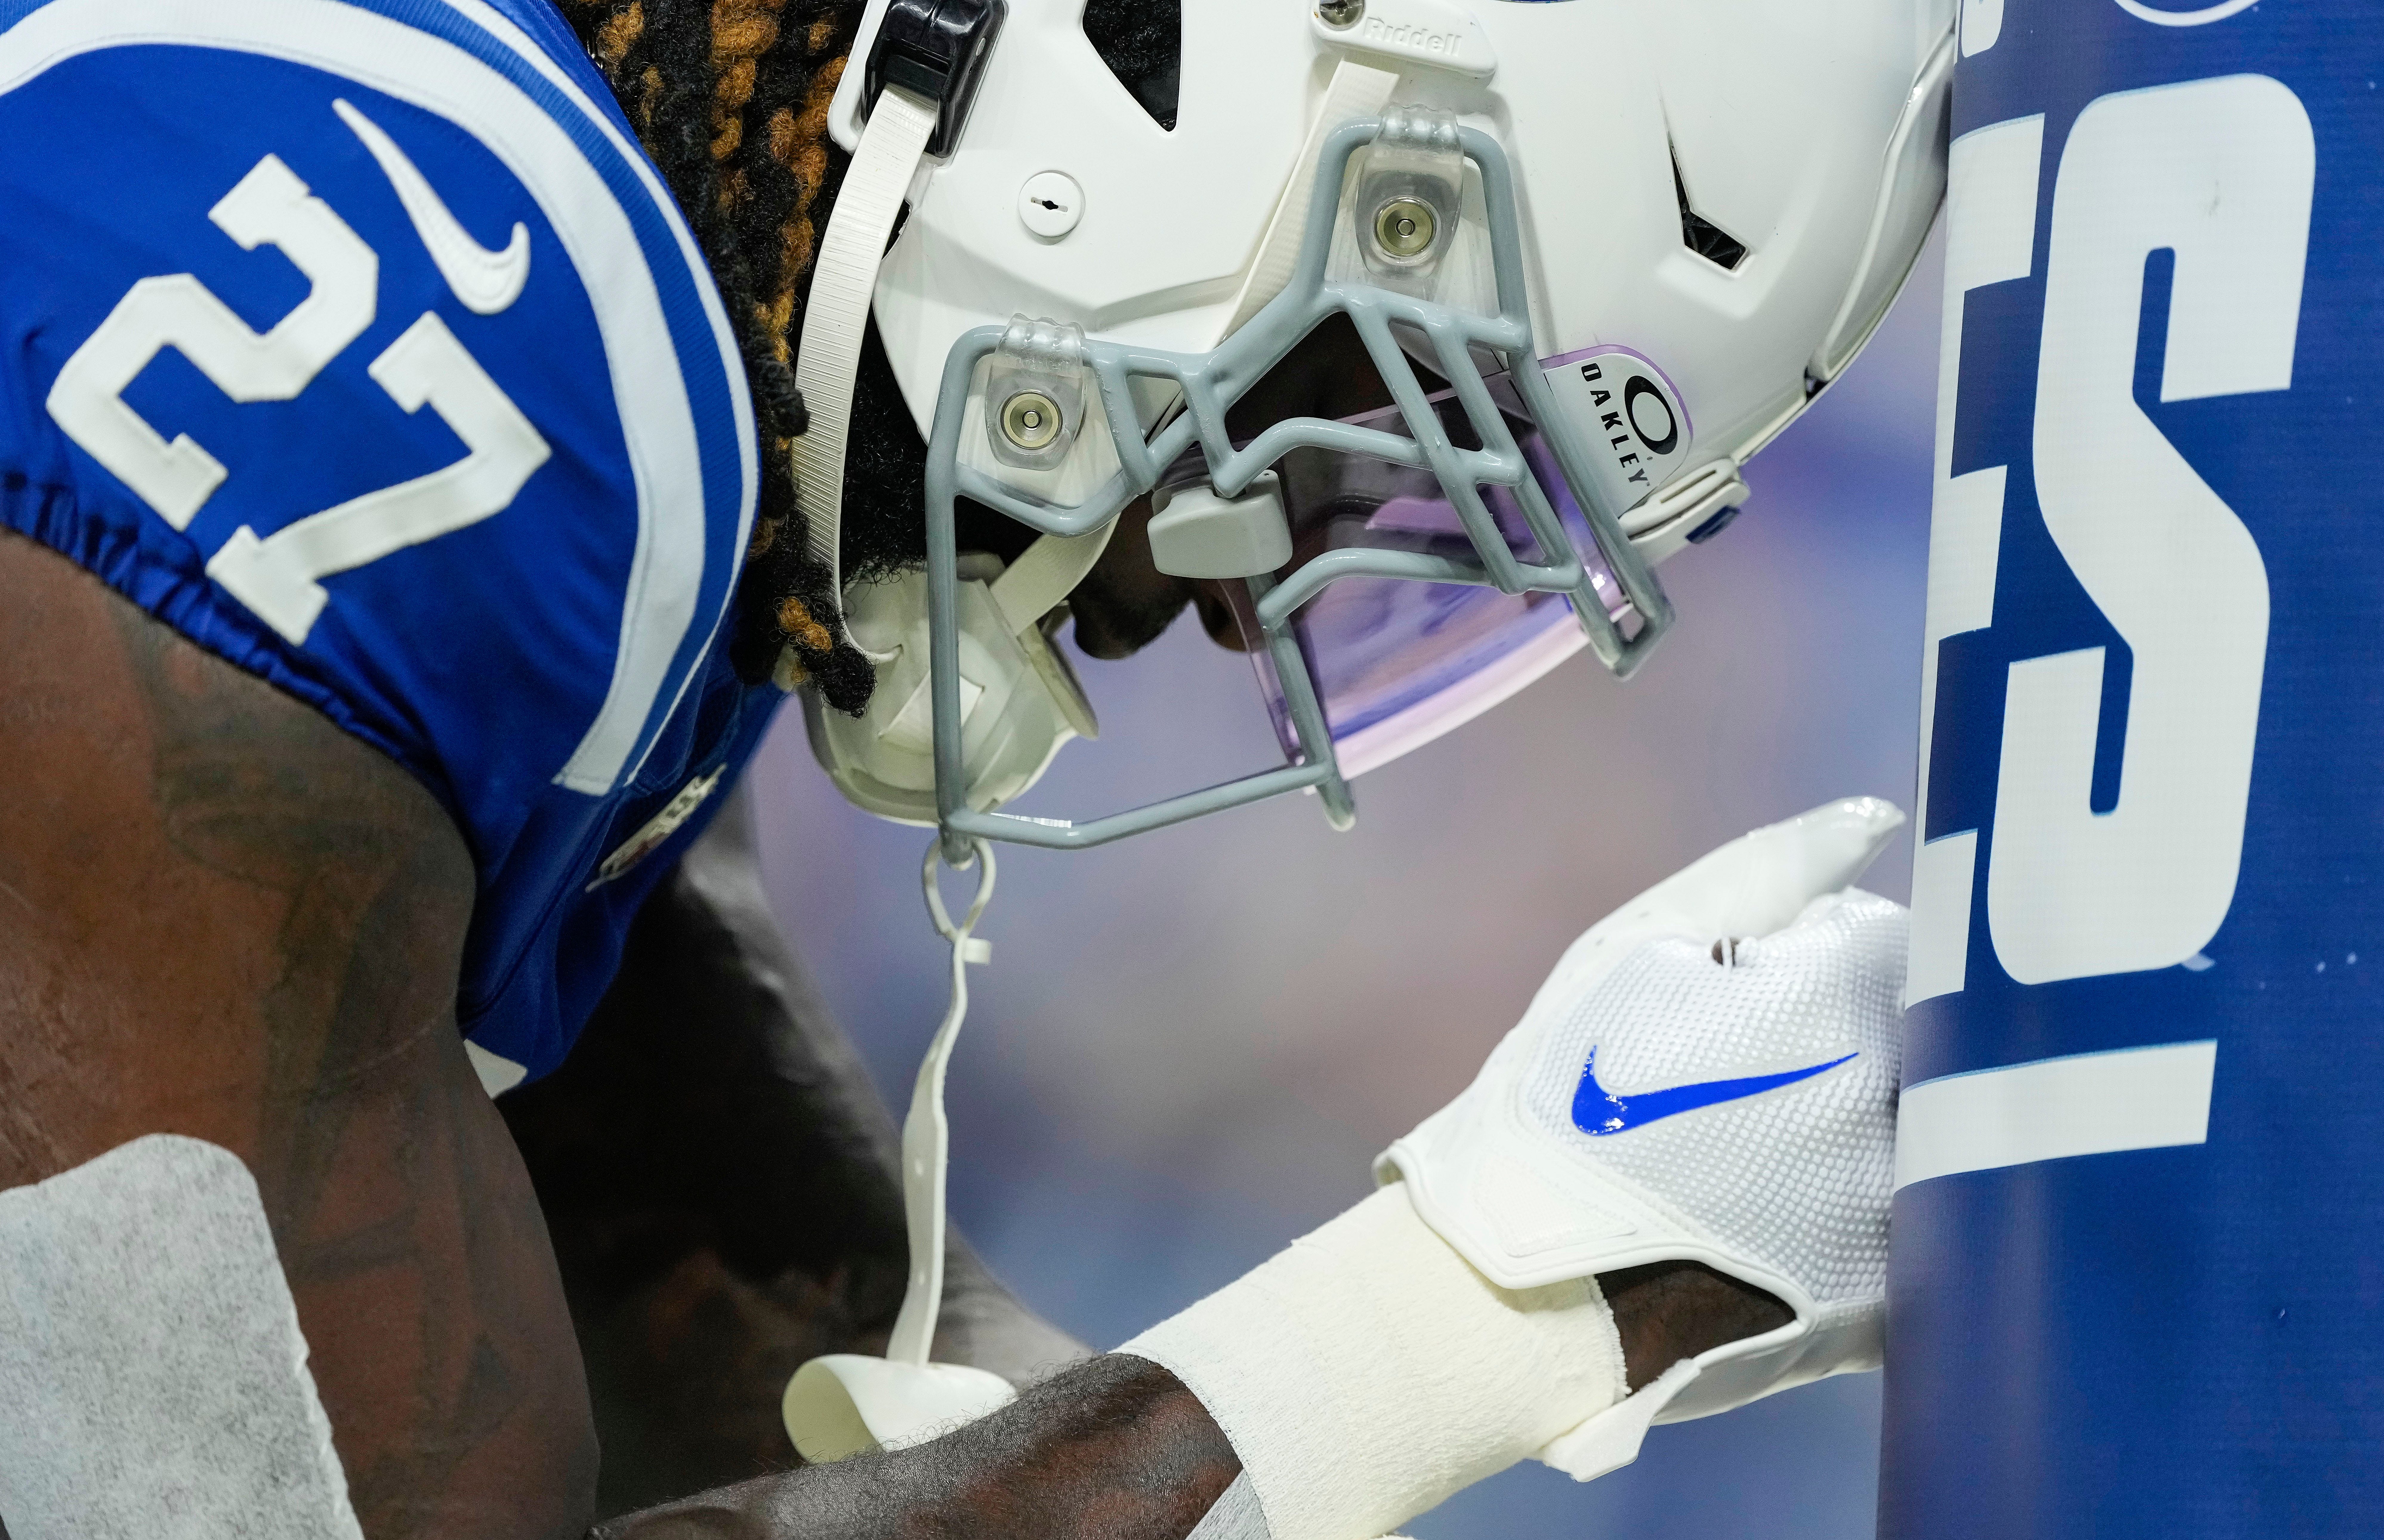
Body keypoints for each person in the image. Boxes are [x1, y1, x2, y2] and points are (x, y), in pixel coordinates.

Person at [0, 0, 1942, 1535]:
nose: (1232, 602)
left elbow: (799, 1344)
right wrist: (1488, 1305)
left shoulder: (591, 357)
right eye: (1350, 430)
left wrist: (1486, 1303)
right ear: (1152, 91)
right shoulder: (395, 390)